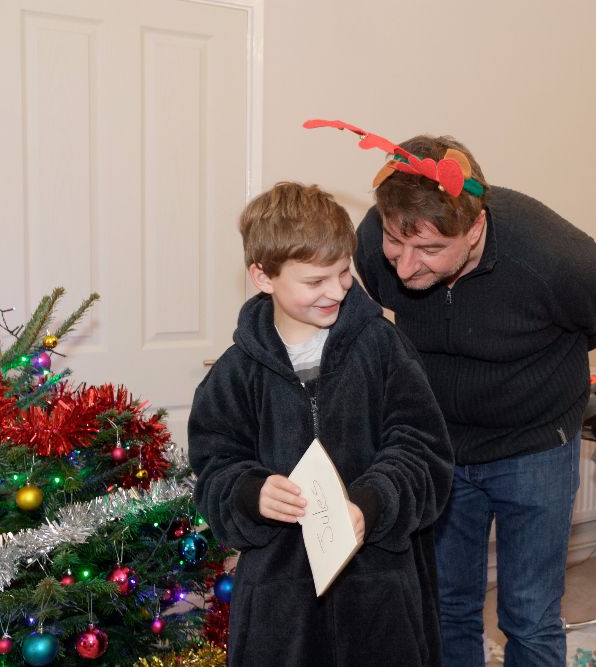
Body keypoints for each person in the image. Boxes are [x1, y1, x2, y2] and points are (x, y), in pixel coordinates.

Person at [350, 131, 596, 666]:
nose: (404, 267)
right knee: (446, 605)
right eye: (395, 243)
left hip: (534, 447)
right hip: (437, 448)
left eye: (430, 250)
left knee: (529, 616)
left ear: (475, 228)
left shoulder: (555, 255)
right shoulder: (376, 237)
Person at [188, 182, 454, 667]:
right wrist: (251, 492)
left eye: (344, 272)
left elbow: (423, 452)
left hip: (382, 597)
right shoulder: (235, 374)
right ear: (263, 276)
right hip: (280, 610)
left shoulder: (383, 348)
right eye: (315, 282)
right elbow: (214, 470)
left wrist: (371, 502)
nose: (336, 291)